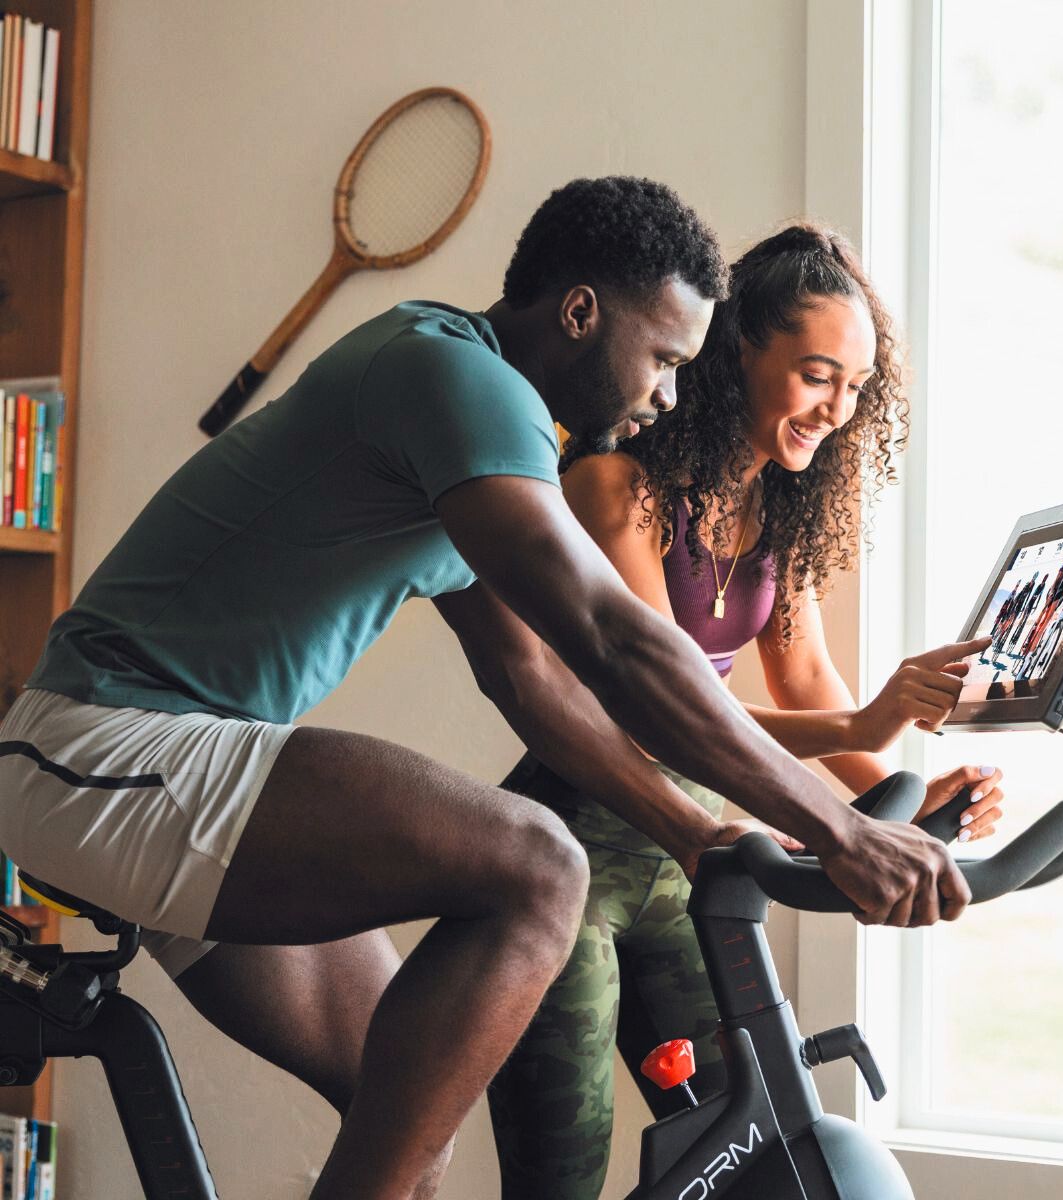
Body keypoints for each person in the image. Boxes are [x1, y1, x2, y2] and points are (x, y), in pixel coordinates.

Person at [0, 181, 972, 1200]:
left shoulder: (471, 431)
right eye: (665, 359)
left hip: (168, 778)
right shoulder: (457, 379)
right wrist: (842, 827)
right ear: (581, 312)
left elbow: (530, 681)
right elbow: (612, 640)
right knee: (542, 864)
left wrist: (686, 829)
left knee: (416, 1110)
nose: (672, 396)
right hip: (107, 748)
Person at [488, 222, 1005, 1200]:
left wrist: (900, 785)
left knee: (753, 1146)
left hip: (692, 859)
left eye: (855, 390)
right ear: (736, 354)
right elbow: (659, 709)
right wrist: (861, 746)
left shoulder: (774, 512)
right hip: (574, 857)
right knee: (562, 1175)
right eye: (818, 375)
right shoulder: (616, 487)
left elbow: (804, 678)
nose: (836, 410)